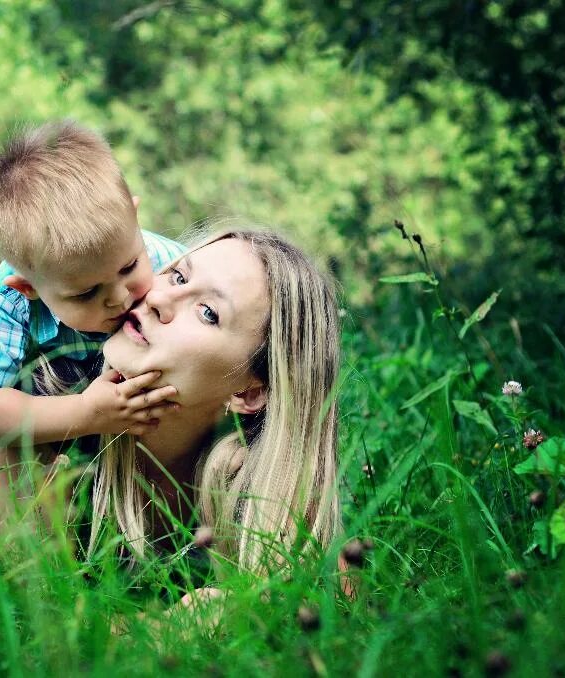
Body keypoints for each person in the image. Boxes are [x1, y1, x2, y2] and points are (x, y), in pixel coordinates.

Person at [43, 228, 343, 576]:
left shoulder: (255, 491)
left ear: (250, 392)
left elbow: (335, 587)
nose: (157, 300)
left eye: (207, 313)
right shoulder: (42, 408)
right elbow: (34, 614)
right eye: (178, 276)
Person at [0, 120, 185, 516]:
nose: (119, 298)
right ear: (29, 287)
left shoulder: (164, 259)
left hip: (86, 454)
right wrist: (86, 414)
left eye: (127, 268)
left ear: (134, 218)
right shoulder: (6, 307)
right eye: (87, 293)